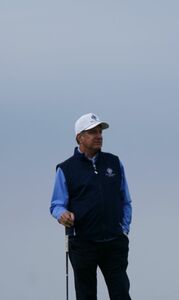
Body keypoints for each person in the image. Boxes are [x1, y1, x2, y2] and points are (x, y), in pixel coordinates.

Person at [50, 113, 133, 300]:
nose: (99, 136)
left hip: (114, 241)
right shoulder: (66, 168)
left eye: (100, 131)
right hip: (82, 243)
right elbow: (56, 204)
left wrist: (124, 230)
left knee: (121, 294)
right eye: (92, 132)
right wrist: (62, 215)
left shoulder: (114, 162)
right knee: (86, 296)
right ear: (80, 137)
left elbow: (125, 199)